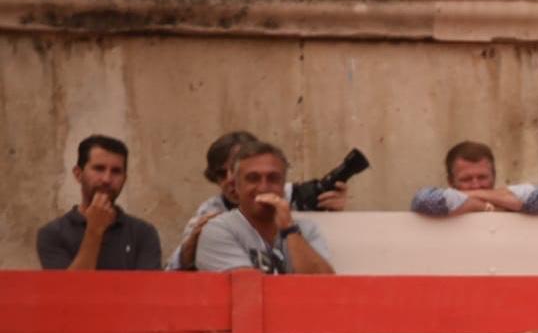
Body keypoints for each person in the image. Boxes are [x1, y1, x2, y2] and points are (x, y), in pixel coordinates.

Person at [169, 131, 349, 270]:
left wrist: (332, 210)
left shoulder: (299, 217)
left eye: (272, 178)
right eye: (221, 174)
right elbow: (246, 290)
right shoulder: (209, 215)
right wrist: (189, 250)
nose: (263, 187)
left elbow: (323, 287)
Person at [37, 134, 161, 270]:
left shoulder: (143, 233)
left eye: (116, 171)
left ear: (124, 179)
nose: (107, 179)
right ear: (78, 174)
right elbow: (70, 289)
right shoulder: (53, 234)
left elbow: (147, 290)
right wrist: (94, 229)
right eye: (99, 169)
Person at [410, 140, 538, 217]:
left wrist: (474, 196)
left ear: (494, 176)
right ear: (450, 181)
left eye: (482, 177)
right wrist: (486, 207)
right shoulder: (442, 200)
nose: (476, 185)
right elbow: (423, 201)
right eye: (466, 179)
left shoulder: (507, 197)